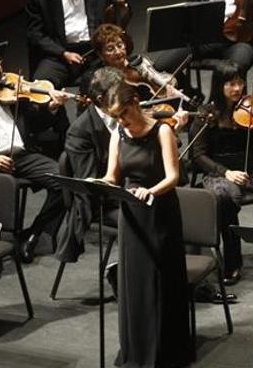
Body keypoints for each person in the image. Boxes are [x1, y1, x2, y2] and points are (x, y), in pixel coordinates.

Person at [100, 81, 191, 367]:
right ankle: (137, 350)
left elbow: (173, 177)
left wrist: (150, 191)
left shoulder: (162, 130)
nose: (122, 120)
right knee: (136, 283)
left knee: (159, 280)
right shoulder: (118, 133)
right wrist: (97, 183)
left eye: (124, 113)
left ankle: (164, 351)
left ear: (136, 102)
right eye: (116, 116)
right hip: (132, 216)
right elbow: (112, 176)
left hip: (159, 212)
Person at [189, 61, 253, 285]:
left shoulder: (251, 110)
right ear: (220, 85)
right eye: (231, 83)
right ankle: (233, 261)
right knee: (225, 198)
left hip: (251, 168)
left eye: (240, 82)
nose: (237, 88)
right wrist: (226, 173)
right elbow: (197, 155)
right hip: (219, 171)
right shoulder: (206, 114)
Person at [0, 43, 70, 279]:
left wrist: (52, 107)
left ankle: (33, 236)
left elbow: (36, 123)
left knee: (64, 180)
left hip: (22, 155)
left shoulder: (12, 87)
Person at [54, 67, 124, 265]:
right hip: (105, 202)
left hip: (135, 188)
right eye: (119, 93)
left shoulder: (127, 115)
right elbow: (90, 184)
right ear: (102, 98)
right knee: (149, 220)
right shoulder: (79, 132)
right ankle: (126, 276)